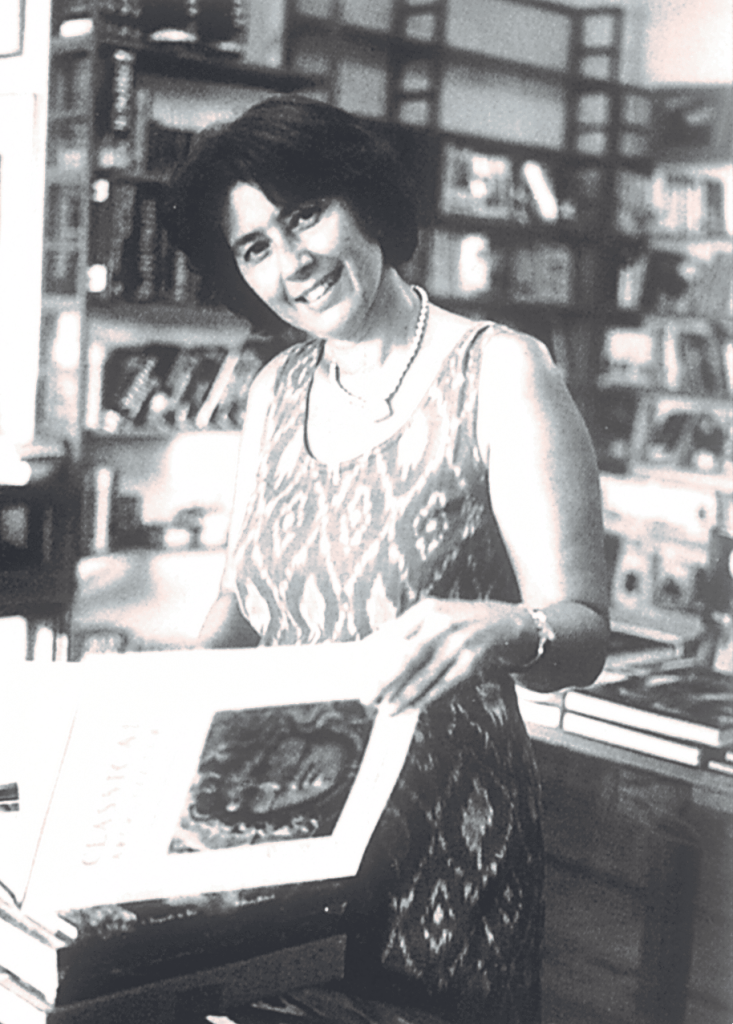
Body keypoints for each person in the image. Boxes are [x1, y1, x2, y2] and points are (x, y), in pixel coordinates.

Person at [164, 95, 609, 1024]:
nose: (292, 263)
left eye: (303, 216)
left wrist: (505, 628)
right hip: (284, 833)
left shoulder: (502, 371)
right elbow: (241, 603)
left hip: (443, 844)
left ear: (363, 200)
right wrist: (144, 716)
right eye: (254, 248)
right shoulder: (275, 388)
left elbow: (580, 636)